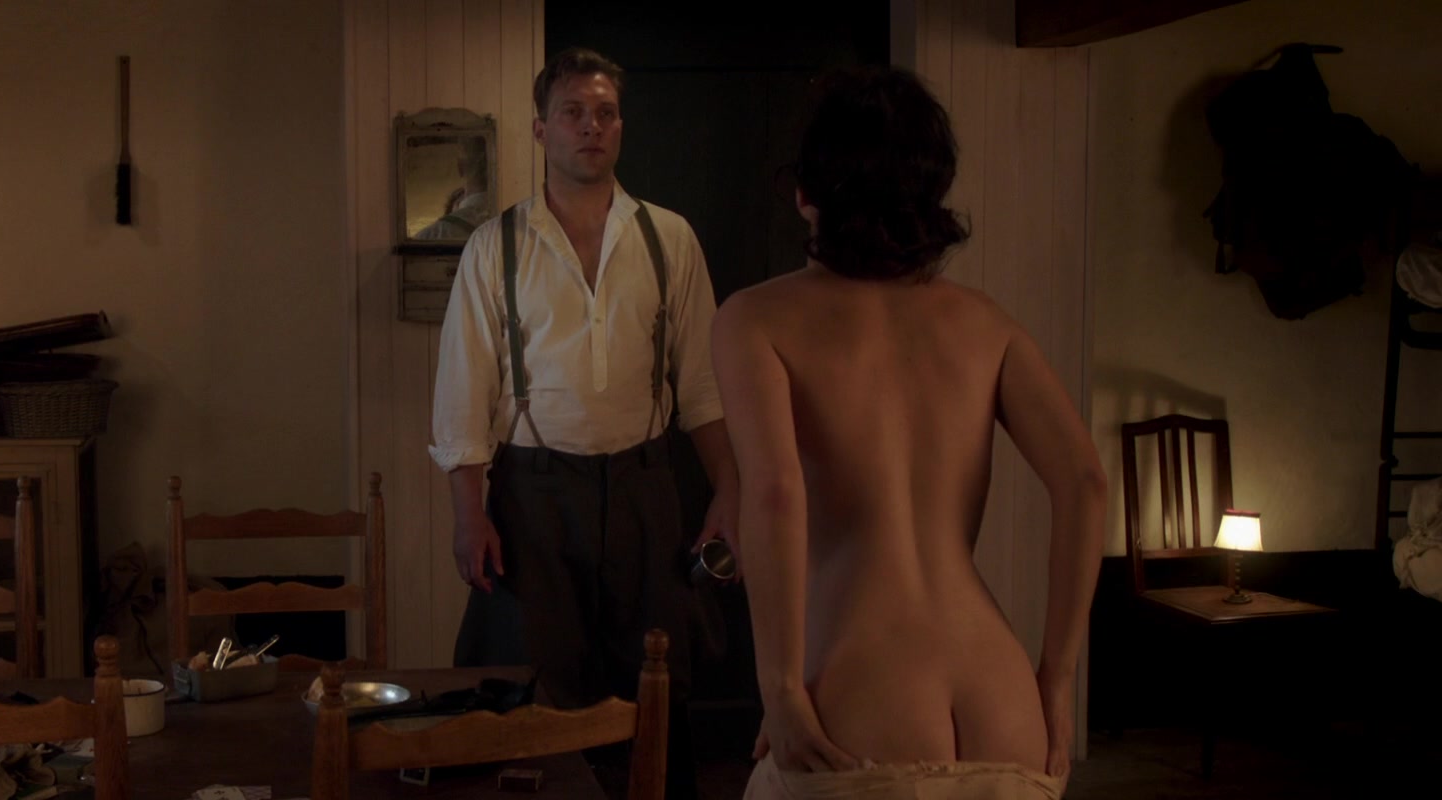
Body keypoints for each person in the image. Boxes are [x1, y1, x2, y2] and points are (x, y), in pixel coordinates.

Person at [712, 65, 1106, 800]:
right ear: (931, 196)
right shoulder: (985, 323)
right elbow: (1084, 483)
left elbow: (774, 495)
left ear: (806, 193)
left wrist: (781, 687)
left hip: (861, 702)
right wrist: (1056, 679)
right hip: (1003, 708)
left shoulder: (755, 318)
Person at [429, 46, 737, 799]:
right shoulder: (495, 246)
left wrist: (730, 490)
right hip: (533, 496)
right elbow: (463, 393)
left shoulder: (669, 238)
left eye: (605, 113)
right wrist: (469, 514)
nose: (591, 127)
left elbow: (704, 387)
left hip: (645, 487)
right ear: (541, 130)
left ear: (621, 127)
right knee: (535, 691)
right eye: (572, 112)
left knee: (657, 683)